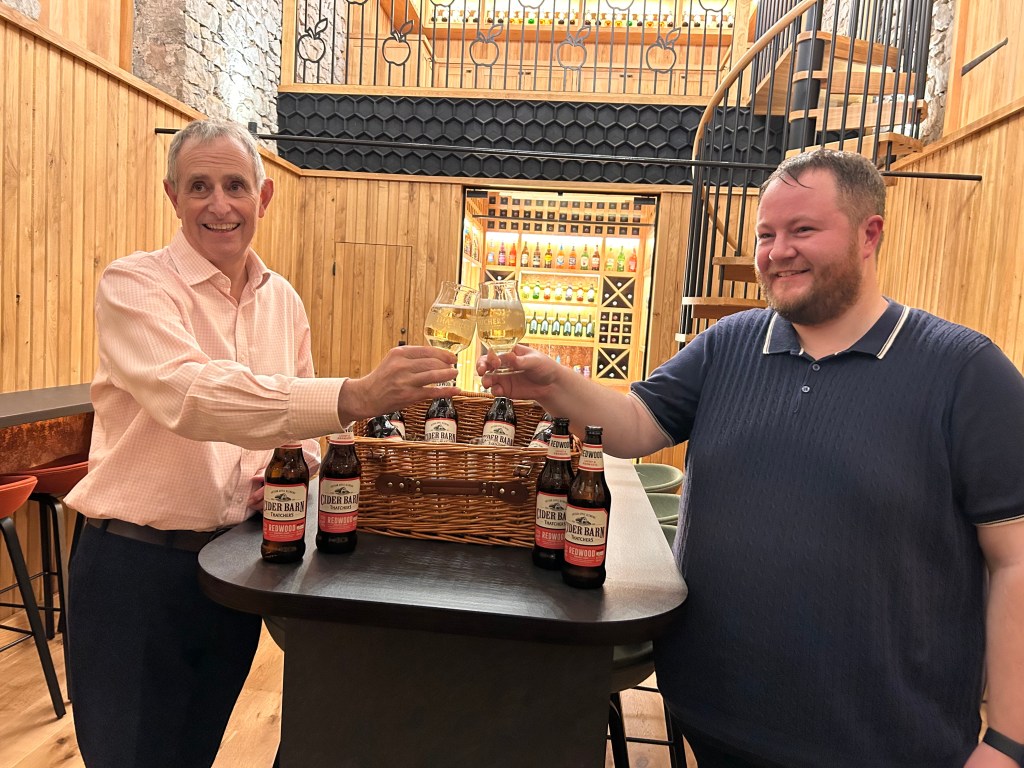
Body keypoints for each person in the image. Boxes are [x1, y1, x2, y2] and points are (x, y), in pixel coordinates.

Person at [478, 149, 1024, 768]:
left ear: (869, 234)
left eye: (803, 229)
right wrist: (553, 384)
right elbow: (631, 426)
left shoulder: (964, 371)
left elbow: (1015, 560)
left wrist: (1008, 740)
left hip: (887, 743)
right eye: (766, 235)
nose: (776, 252)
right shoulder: (727, 344)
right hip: (713, 719)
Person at [65, 118, 459, 768]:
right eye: (199, 186)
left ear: (263, 196)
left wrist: (293, 470)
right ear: (172, 197)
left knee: (194, 752)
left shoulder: (284, 302)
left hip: (234, 567)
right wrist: (354, 396)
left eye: (234, 186)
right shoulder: (134, 284)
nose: (218, 204)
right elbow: (193, 396)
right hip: (135, 572)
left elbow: (298, 440)